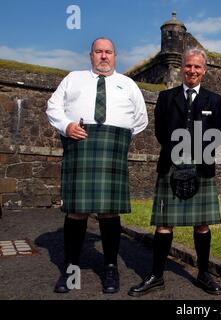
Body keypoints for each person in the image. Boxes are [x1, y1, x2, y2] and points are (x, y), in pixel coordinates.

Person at [46, 37, 148, 294]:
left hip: (112, 148)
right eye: (99, 52)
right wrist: (67, 126)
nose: (104, 56)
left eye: (108, 52)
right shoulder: (73, 78)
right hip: (80, 146)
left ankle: (111, 268)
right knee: (76, 211)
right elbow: (53, 107)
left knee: (110, 211)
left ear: (115, 56)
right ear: (91, 55)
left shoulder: (128, 84)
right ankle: (70, 269)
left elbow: (141, 118)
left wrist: (121, 138)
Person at [128, 48, 221, 297]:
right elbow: (161, 132)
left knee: (201, 224)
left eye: (197, 67)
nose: (192, 70)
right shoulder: (166, 97)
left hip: (202, 165)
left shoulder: (213, 100)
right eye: (188, 66)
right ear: (182, 67)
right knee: (164, 224)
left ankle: (203, 274)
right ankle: (156, 276)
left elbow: (219, 134)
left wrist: (196, 156)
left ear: (204, 70)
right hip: (171, 163)